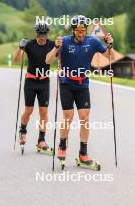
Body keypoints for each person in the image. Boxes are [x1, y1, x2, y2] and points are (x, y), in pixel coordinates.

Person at [46, 15, 115, 165]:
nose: (81, 33)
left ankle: (83, 153)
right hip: (66, 82)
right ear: (73, 30)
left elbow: (111, 57)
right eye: (78, 30)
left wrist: (110, 45)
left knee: (84, 117)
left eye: (83, 30)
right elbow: (48, 60)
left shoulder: (93, 41)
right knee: (68, 116)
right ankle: (62, 144)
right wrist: (56, 48)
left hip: (83, 83)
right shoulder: (64, 41)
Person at [13, 21, 58, 153]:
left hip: (44, 82)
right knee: (29, 110)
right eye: (39, 34)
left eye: (44, 34)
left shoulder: (51, 45)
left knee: (44, 112)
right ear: (36, 34)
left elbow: (60, 56)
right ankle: (22, 131)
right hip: (31, 81)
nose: (42, 36)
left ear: (47, 34)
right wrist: (19, 48)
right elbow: (16, 59)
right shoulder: (30, 45)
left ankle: (41, 140)